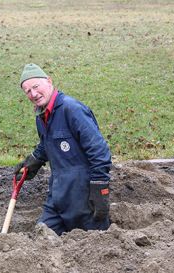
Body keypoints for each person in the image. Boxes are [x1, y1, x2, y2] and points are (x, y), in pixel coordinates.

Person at [15, 63, 112, 235]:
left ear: (49, 81)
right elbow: (47, 143)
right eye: (27, 91)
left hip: (83, 195)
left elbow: (100, 152)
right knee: (41, 237)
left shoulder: (72, 109)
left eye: (36, 87)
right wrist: (34, 160)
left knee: (93, 246)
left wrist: (99, 188)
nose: (34, 94)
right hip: (58, 194)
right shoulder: (41, 115)